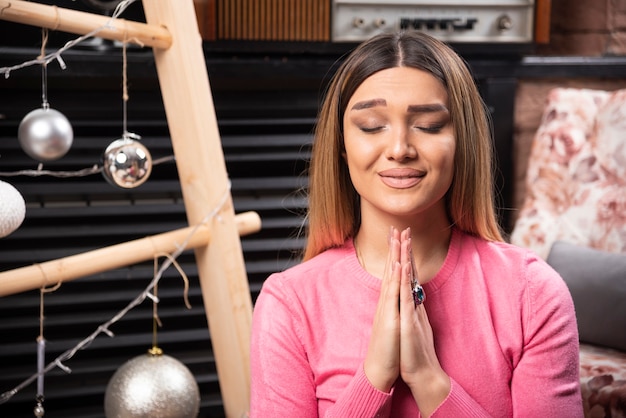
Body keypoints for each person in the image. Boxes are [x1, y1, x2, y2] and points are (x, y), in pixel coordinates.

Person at [249, 30, 583, 417]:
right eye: (372, 126)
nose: (399, 149)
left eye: (428, 125)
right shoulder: (289, 304)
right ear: (342, 146)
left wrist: (429, 381)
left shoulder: (533, 294)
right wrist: (374, 378)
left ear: (463, 140)